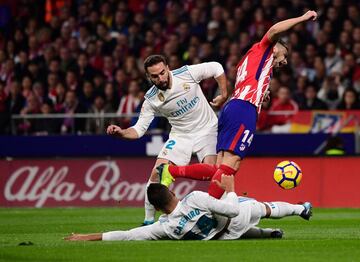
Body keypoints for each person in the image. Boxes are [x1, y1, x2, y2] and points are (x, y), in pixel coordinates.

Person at [158, 10, 318, 199]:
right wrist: (302, 18)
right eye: (285, 55)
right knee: (231, 165)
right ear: (275, 48)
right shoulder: (264, 48)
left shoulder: (249, 60)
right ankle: (191, 191)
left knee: (220, 168)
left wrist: (261, 94)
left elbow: (247, 82)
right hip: (244, 109)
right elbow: (274, 29)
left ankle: (194, 192)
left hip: (233, 107)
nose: (285, 60)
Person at [106, 54, 228, 225]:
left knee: (213, 173)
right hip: (180, 136)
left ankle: (221, 216)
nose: (161, 78)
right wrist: (122, 132)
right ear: (148, 77)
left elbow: (216, 66)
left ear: (168, 68)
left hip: (207, 130)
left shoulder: (186, 73)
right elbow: (139, 130)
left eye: (162, 72)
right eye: (155, 76)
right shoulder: (151, 99)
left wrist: (223, 93)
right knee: (157, 173)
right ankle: (148, 221)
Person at [64, 175, 312, 241]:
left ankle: (267, 233)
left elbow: (128, 235)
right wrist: (232, 189)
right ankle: (302, 210)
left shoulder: (166, 228)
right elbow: (232, 211)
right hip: (231, 221)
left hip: (220, 238)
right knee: (260, 207)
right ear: (172, 192)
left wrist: (89, 236)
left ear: (158, 209)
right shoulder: (193, 198)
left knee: (228, 227)